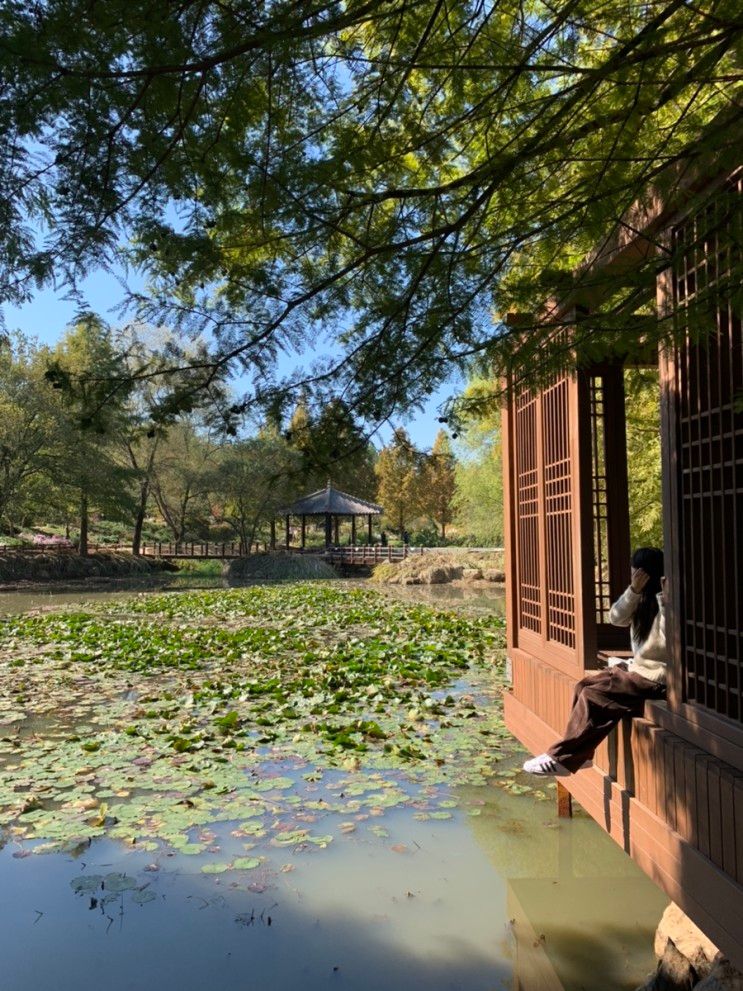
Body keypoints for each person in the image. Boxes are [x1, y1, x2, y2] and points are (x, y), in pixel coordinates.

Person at [523, 547, 667, 776]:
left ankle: (561, 758)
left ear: (644, 572)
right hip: (639, 672)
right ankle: (581, 756)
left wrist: (665, 600)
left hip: (655, 678)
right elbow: (616, 619)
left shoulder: (666, 603)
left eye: (634, 572)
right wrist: (633, 590)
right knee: (583, 686)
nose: (632, 576)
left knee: (594, 696)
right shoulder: (640, 599)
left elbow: (669, 642)